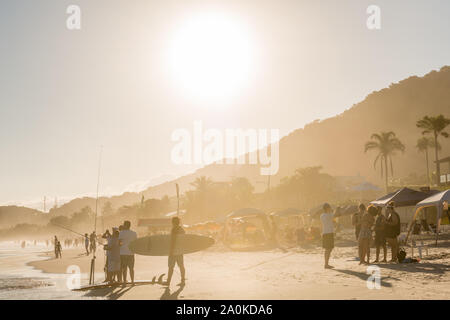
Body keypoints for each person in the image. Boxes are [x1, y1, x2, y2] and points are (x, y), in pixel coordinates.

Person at [165, 217, 186, 285]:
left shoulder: (174, 229)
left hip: (174, 251)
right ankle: (183, 281)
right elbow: (184, 240)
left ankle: (168, 282)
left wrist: (171, 251)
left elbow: (173, 240)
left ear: (173, 222)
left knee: (171, 267)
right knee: (181, 266)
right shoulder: (182, 230)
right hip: (180, 251)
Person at [320, 203, 338, 269]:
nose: (330, 209)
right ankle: (326, 264)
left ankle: (326, 263)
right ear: (327, 208)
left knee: (328, 249)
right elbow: (335, 215)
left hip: (325, 233)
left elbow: (332, 221)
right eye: (329, 207)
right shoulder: (329, 215)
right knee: (328, 249)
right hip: (329, 233)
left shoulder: (322, 215)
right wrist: (337, 209)